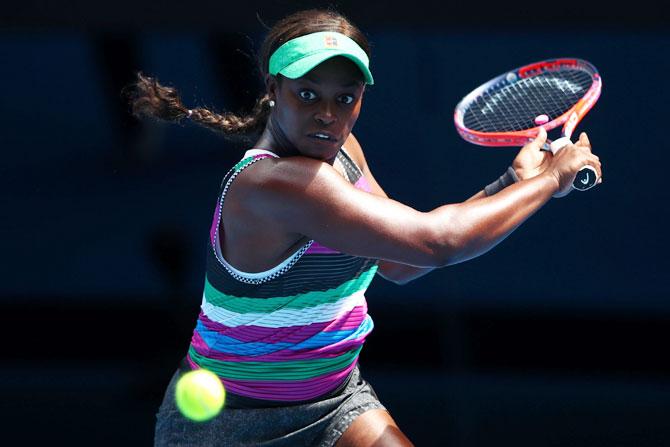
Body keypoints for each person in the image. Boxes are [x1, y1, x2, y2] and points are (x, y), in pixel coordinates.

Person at [126, 8, 602, 447]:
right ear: (273, 88)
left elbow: (400, 261)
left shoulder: (343, 151)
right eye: (307, 94)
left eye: (345, 98)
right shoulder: (275, 184)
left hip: (336, 402)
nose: (328, 115)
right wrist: (551, 179)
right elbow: (439, 241)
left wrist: (513, 182)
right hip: (228, 427)